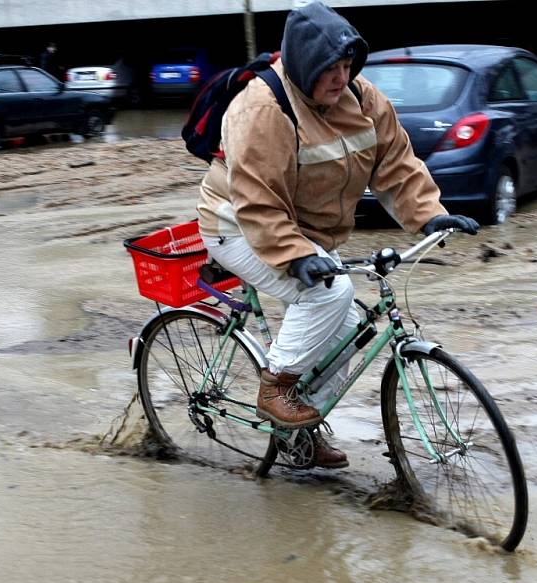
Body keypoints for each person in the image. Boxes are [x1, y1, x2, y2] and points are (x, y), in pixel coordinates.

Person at [197, 1, 478, 468]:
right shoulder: (263, 107)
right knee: (332, 295)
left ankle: (297, 431)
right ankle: (276, 387)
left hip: (304, 235)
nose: (341, 77)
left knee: (346, 329)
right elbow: (257, 198)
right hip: (237, 228)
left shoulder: (362, 98)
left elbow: (397, 164)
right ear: (305, 63)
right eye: (330, 68)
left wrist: (430, 215)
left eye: (348, 66)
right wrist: (295, 256)